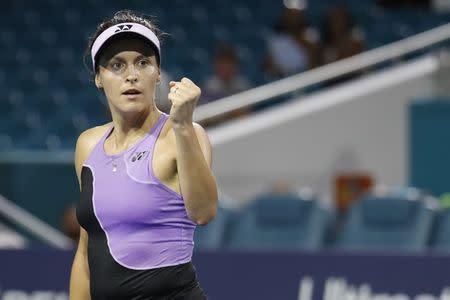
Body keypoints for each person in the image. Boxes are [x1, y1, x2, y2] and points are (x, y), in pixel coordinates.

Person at [70, 10, 218, 300]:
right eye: (117, 65)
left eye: (143, 62)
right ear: (99, 78)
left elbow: (204, 212)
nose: (132, 75)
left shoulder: (184, 134)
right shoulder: (87, 145)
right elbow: (86, 252)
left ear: (158, 74)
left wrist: (183, 126)